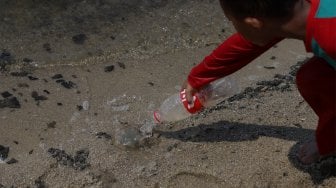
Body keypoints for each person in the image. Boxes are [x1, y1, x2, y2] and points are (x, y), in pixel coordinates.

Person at [182, 0, 335, 165]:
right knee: (312, 76)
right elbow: (249, 42)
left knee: (316, 78)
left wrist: (326, 138)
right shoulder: (301, 11)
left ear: (253, 24)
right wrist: (199, 76)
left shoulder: (330, 37)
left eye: (233, 22)